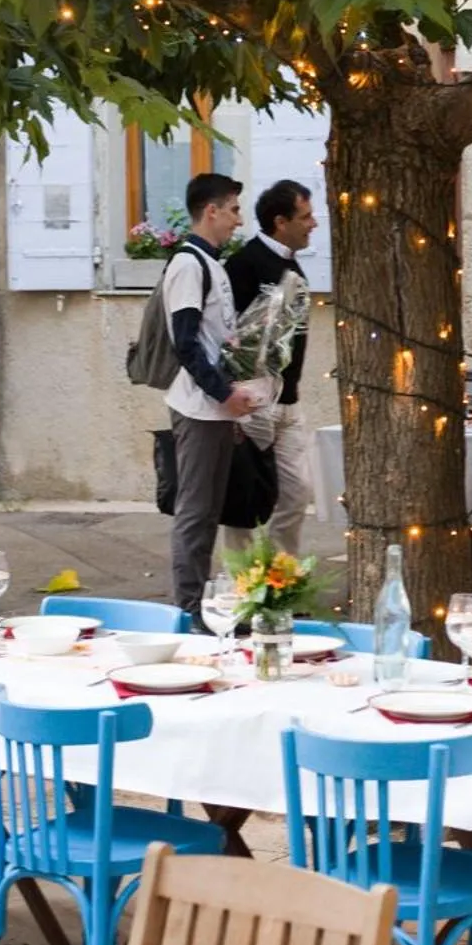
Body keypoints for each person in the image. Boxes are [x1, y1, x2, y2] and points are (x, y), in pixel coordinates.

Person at [162, 173, 264, 626]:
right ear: (211, 211)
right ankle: (189, 612)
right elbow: (185, 342)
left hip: (217, 409)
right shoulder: (189, 265)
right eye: (234, 210)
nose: (238, 220)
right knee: (197, 513)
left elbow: (216, 338)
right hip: (200, 409)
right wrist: (224, 393)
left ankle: (206, 607)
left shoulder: (212, 262)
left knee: (209, 511)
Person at [224, 179, 319, 555]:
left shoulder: (292, 264)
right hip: (255, 401)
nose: (313, 224)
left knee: (296, 495)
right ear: (281, 221)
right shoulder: (245, 264)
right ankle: (241, 587)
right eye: (306, 216)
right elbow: (226, 332)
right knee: (245, 501)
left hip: (289, 402)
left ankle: (282, 580)